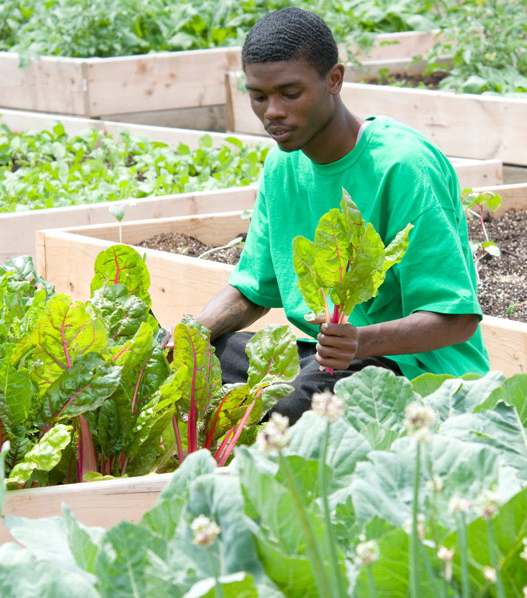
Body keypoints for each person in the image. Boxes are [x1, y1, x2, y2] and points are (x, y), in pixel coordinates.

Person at [178, 7, 490, 424]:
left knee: (284, 410)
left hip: (417, 374)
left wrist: (359, 341)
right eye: (258, 96)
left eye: (290, 93)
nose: (272, 111)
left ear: (334, 80)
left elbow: (455, 319)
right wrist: (189, 335)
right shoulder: (282, 167)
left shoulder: (402, 166)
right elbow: (253, 290)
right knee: (205, 362)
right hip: (332, 359)